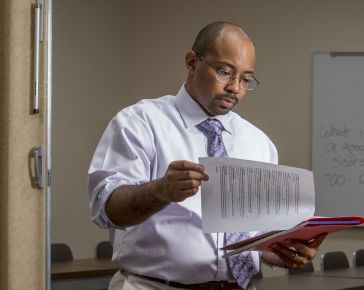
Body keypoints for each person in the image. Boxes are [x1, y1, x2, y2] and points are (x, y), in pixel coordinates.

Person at [88, 21, 326, 290]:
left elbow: (255, 237)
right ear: (192, 62)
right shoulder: (140, 123)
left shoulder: (258, 142)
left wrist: (285, 250)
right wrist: (161, 191)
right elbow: (107, 210)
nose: (235, 88)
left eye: (246, 79)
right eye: (225, 72)